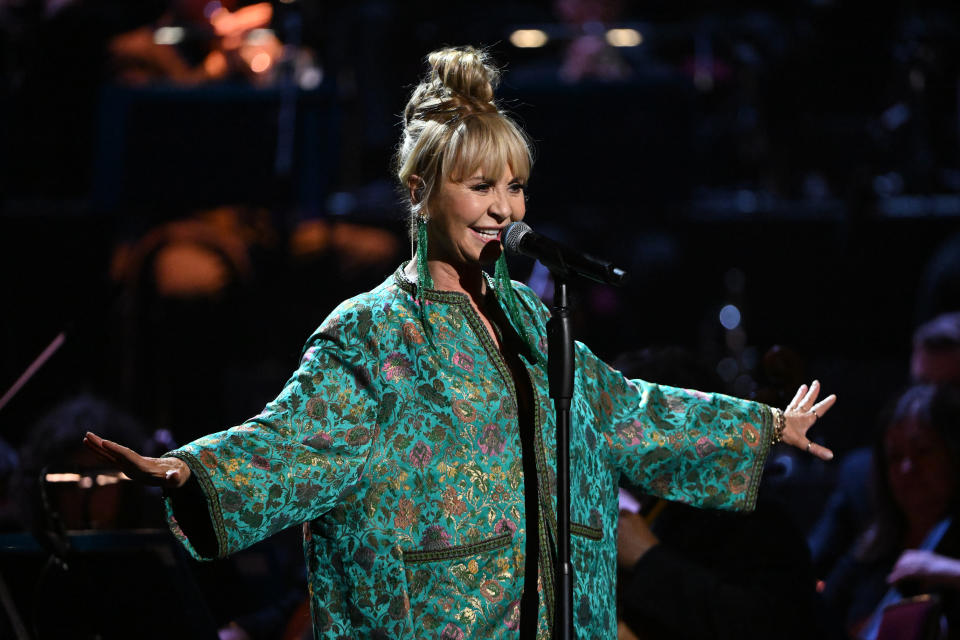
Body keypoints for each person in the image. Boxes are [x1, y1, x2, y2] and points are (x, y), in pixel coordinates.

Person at [83, 46, 837, 639]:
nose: (503, 208)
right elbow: (291, 440)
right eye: (481, 187)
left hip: (556, 618)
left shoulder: (538, 322)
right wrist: (188, 471)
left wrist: (765, 425)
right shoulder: (371, 329)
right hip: (436, 618)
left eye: (515, 187)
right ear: (420, 192)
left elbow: (628, 411)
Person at [822, 384, 960, 638]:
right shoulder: (870, 549)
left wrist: (945, 569)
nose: (907, 468)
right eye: (895, 457)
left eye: (923, 452)